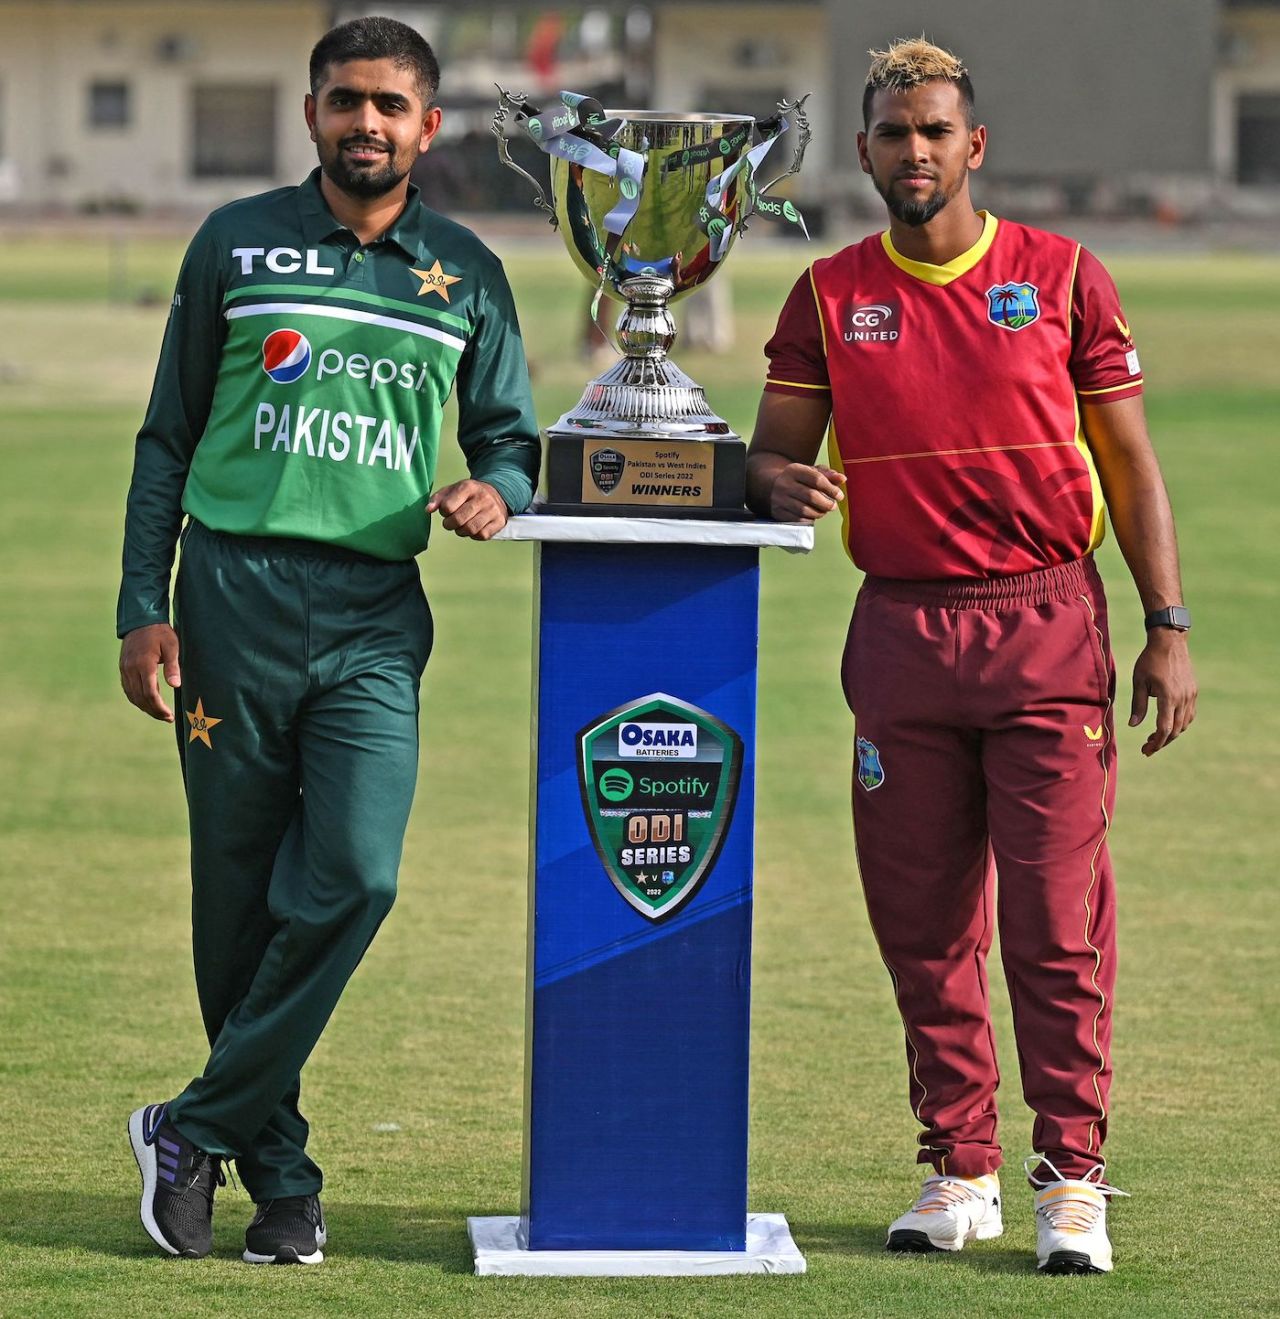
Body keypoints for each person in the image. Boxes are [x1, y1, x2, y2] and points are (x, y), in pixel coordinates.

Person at [747, 37, 1196, 1275]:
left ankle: (1070, 1179)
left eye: (934, 131)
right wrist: (766, 475)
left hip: (1046, 620)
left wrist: (1166, 625)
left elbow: (1129, 465)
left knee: (1054, 922)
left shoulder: (1059, 277)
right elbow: (769, 449)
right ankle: (959, 1169)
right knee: (923, 922)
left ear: (972, 144)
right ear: (863, 152)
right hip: (900, 630)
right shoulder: (831, 292)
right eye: (893, 134)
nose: (914, 152)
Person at [118, 16, 539, 1264]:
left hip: (370, 614)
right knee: (238, 904)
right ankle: (280, 1174)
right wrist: (143, 604)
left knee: (356, 874)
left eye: (391, 105)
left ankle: (188, 1124)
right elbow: (166, 439)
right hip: (232, 597)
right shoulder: (232, 243)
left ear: (429, 127)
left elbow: (509, 435)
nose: (367, 123)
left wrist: (498, 491)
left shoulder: (463, 268)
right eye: (346, 100)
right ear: (311, 114)